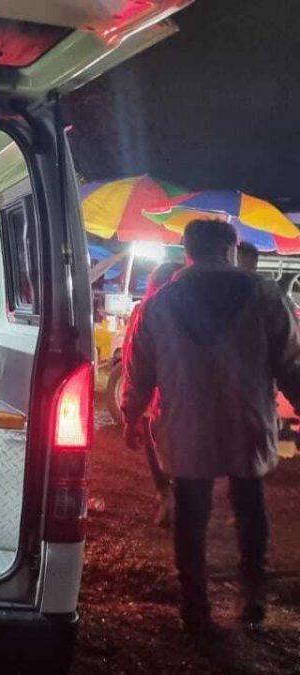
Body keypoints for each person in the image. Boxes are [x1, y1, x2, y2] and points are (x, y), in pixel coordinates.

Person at [122, 219, 300, 633]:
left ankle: (195, 603)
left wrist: (132, 415)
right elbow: (289, 364)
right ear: (230, 250)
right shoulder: (264, 295)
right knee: (250, 503)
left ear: (187, 251)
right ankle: (252, 594)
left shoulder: (160, 303)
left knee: (191, 512)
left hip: (187, 424)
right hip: (247, 420)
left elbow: (139, 369)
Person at [122, 260, 184, 527]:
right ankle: (173, 497)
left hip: (157, 397)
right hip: (180, 397)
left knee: (156, 442)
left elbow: (132, 361)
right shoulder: (186, 312)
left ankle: (167, 494)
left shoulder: (146, 311)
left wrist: (130, 412)